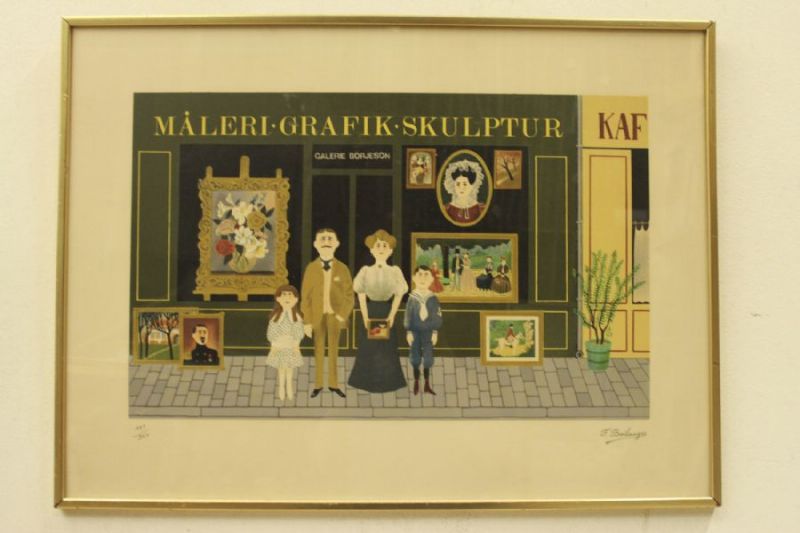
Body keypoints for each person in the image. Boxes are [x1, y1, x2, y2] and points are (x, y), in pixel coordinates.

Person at [347, 229, 408, 393]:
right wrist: (365, 317)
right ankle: (365, 382)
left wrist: (392, 316)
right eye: (378, 245)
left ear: (390, 251)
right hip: (371, 310)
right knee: (368, 348)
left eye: (385, 246)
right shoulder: (365, 271)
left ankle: (389, 383)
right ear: (372, 250)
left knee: (387, 348)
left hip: (386, 311)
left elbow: (398, 295)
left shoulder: (395, 271)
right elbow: (361, 294)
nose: (381, 249)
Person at [300, 228, 354, 398]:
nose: (326, 242)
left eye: (330, 239)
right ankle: (318, 384)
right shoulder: (311, 268)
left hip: (335, 316)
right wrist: (307, 321)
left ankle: (333, 384)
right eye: (322, 239)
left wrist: (341, 315)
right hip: (316, 316)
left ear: (337, 244)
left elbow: (349, 295)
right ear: (315, 244)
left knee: (333, 350)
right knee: (318, 350)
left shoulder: (343, 269)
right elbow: (305, 297)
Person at [404, 266, 443, 395]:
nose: (423, 278)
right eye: (420, 275)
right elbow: (408, 315)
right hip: (415, 331)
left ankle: (426, 383)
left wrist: (435, 332)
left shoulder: (433, 298)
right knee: (415, 357)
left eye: (426, 275)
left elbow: (437, 316)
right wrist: (409, 331)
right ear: (414, 278)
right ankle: (416, 381)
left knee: (428, 357)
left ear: (431, 279)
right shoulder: (412, 298)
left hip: (428, 332)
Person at [265, 285, 305, 401]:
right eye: (284, 295)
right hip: (279, 346)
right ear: (278, 298)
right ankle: (281, 387)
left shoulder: (297, 317)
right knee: (281, 368)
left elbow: (298, 332)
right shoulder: (275, 317)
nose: (287, 298)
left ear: (296, 299)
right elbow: (272, 332)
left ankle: (289, 387)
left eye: (290, 295)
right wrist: (274, 346)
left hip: (291, 346)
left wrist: (296, 345)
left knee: (290, 369)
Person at [442, 159, 487, 224]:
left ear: (473, 186)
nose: (461, 188)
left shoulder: (481, 209)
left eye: (465, 184)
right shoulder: (447, 209)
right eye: (458, 184)